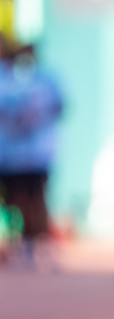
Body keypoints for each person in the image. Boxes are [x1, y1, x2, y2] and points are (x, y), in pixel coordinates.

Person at [0, 43, 65, 267]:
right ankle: (22, 244)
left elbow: (60, 107)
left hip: (37, 154)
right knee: (15, 200)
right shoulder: (7, 81)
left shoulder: (45, 80)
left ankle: (41, 244)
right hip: (11, 155)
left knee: (37, 199)